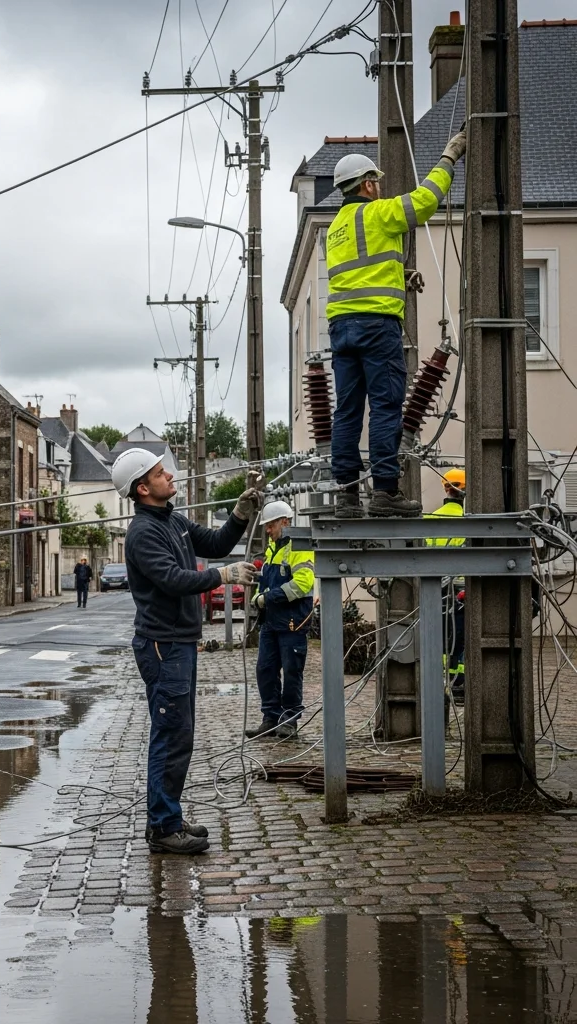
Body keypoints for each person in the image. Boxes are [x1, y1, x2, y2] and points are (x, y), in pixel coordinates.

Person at [116, 447, 263, 855]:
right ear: (143, 488)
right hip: (163, 646)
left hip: (178, 642)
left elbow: (215, 542)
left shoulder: (174, 520)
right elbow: (172, 579)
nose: (170, 476)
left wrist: (239, 515)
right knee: (170, 735)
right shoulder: (143, 533)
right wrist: (223, 575)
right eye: (160, 473)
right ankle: (163, 827)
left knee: (180, 735)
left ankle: (169, 817)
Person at [325, 130, 467, 519]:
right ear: (367, 184)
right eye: (376, 182)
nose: (379, 187)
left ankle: (346, 497)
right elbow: (425, 201)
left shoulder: (336, 228)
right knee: (386, 406)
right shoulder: (379, 213)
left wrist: (399, 275)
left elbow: (359, 270)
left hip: (342, 328)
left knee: (347, 411)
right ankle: (385, 492)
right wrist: (449, 157)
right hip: (377, 325)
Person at [242, 501, 316, 740]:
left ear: (284, 521)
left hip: (293, 621)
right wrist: (258, 598)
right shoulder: (273, 549)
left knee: (292, 671)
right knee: (265, 670)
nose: (268, 530)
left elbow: (303, 583)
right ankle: (270, 719)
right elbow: (265, 583)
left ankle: (289, 721)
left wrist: (267, 598)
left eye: (271, 525)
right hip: (272, 622)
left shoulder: (300, 547)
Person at [426, 468, 466, 703]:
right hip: (464, 594)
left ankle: (439, 686)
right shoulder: (471, 522)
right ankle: (459, 686)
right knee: (462, 641)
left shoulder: (430, 519)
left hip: (436, 593)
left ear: (446, 489)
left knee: (441, 640)